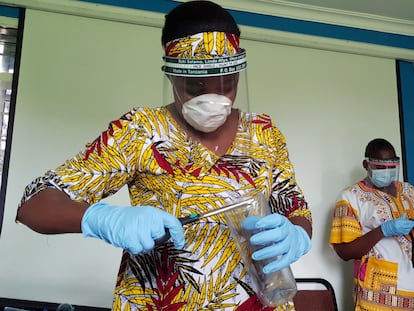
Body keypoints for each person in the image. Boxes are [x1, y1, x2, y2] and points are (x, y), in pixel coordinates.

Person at [16, 1, 312, 310]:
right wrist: (100, 219)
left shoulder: (264, 132)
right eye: (195, 87)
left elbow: (296, 209)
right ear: (171, 77)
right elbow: (33, 206)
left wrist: (297, 235)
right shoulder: (141, 131)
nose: (214, 100)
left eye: (227, 84)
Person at [329, 138, 414, 310]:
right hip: (377, 294)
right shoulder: (351, 197)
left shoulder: (409, 191)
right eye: (380, 167)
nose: (386, 172)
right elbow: (344, 251)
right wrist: (383, 230)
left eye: (391, 167)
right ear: (366, 164)